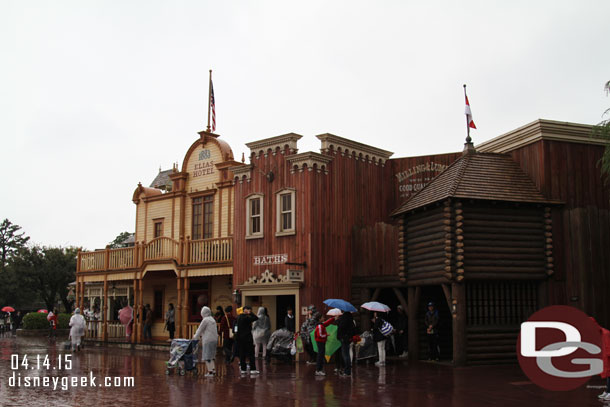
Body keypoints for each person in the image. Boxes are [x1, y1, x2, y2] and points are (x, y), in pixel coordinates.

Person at [192, 306, 219, 377]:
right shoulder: (212, 319)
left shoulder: (205, 320)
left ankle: (210, 372)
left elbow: (200, 329)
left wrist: (195, 337)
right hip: (214, 339)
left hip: (208, 340)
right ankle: (213, 369)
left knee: (207, 356)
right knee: (212, 355)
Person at [236, 305, 259, 375]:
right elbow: (256, 318)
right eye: (249, 310)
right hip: (248, 338)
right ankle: (253, 369)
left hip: (240, 338)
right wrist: (250, 313)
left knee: (242, 353)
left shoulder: (239, 317)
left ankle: (243, 369)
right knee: (251, 353)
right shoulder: (246, 317)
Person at [336, 311, 356, 377]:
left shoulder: (345, 318)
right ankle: (347, 370)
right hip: (347, 338)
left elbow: (341, 327)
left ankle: (347, 371)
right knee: (346, 354)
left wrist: (338, 321)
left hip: (344, 338)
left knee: (345, 355)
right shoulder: (350, 318)